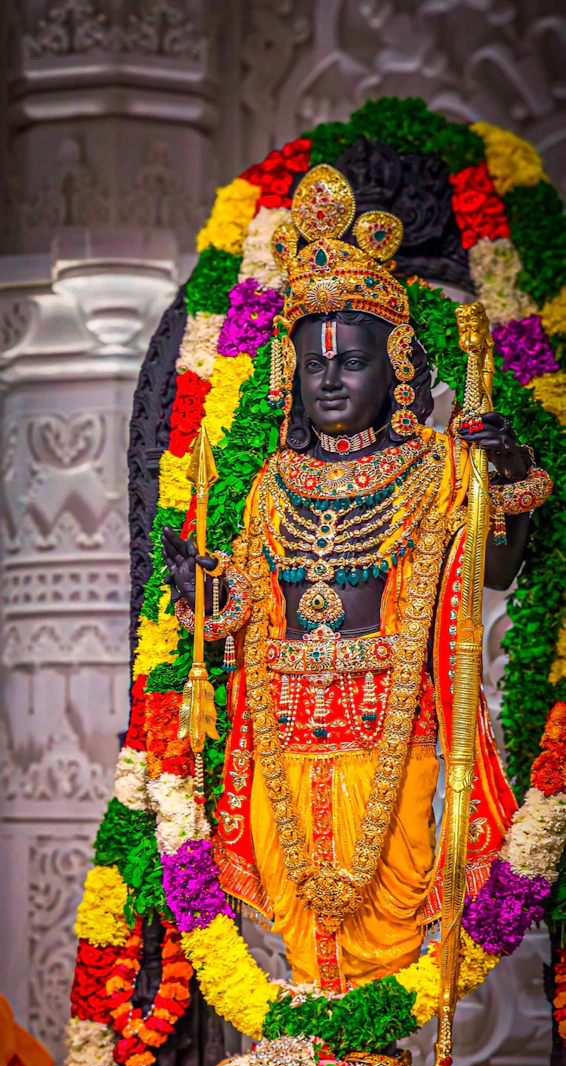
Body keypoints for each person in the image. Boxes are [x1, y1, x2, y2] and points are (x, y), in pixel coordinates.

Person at [162, 165, 551, 995]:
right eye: (314, 366)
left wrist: (504, 476)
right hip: (285, 727)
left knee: (390, 901)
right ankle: (320, 1040)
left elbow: (496, 568)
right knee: (299, 906)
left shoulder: (436, 467)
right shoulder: (272, 483)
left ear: (397, 368)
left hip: (391, 726)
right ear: (291, 375)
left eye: (353, 362)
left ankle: (371, 1046)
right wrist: (203, 595)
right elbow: (249, 610)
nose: (331, 380)